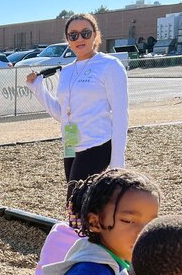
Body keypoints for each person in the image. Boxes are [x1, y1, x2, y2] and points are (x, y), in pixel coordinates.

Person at [26, 13, 128, 188]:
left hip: (97, 143)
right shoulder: (66, 71)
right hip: (71, 144)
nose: (79, 38)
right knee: (77, 204)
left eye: (85, 33)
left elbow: (121, 116)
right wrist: (37, 88)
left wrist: (117, 166)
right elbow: (62, 113)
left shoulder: (110, 65)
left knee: (75, 202)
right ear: (68, 39)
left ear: (95, 35)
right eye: (73, 35)